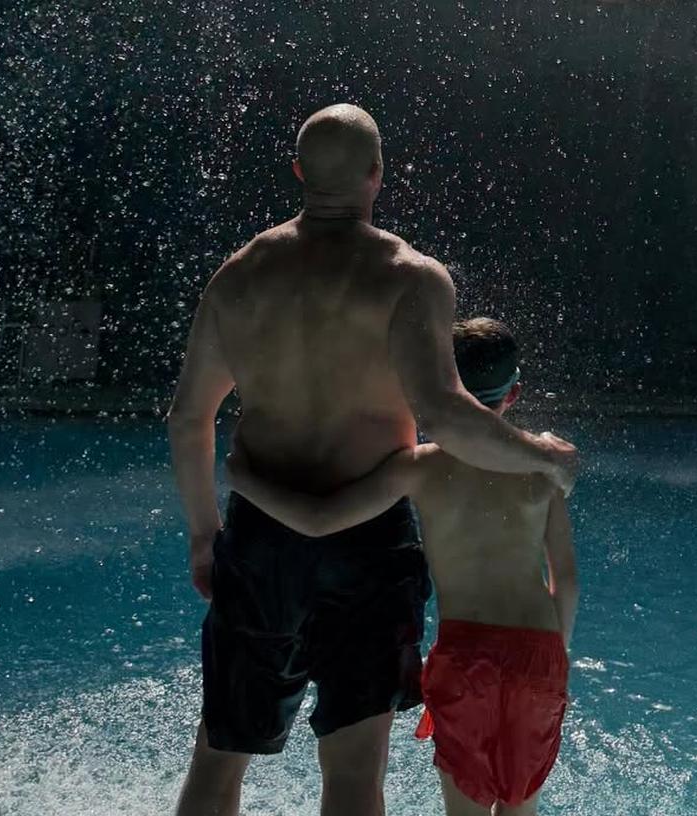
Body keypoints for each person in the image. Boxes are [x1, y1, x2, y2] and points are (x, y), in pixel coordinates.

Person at [166, 105, 578, 816]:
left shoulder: (238, 276)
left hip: (263, 530)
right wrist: (538, 453)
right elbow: (448, 415)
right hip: (369, 544)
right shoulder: (409, 276)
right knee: (354, 775)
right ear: (376, 176)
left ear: (298, 173)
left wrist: (206, 536)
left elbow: (189, 418)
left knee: (220, 758)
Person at [228, 317, 579, 816]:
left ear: (439, 392)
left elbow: (320, 519)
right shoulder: (542, 470)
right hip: (538, 650)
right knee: (521, 809)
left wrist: (244, 479)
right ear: (515, 393)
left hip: (466, 652)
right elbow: (565, 579)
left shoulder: (419, 466)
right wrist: (555, 652)